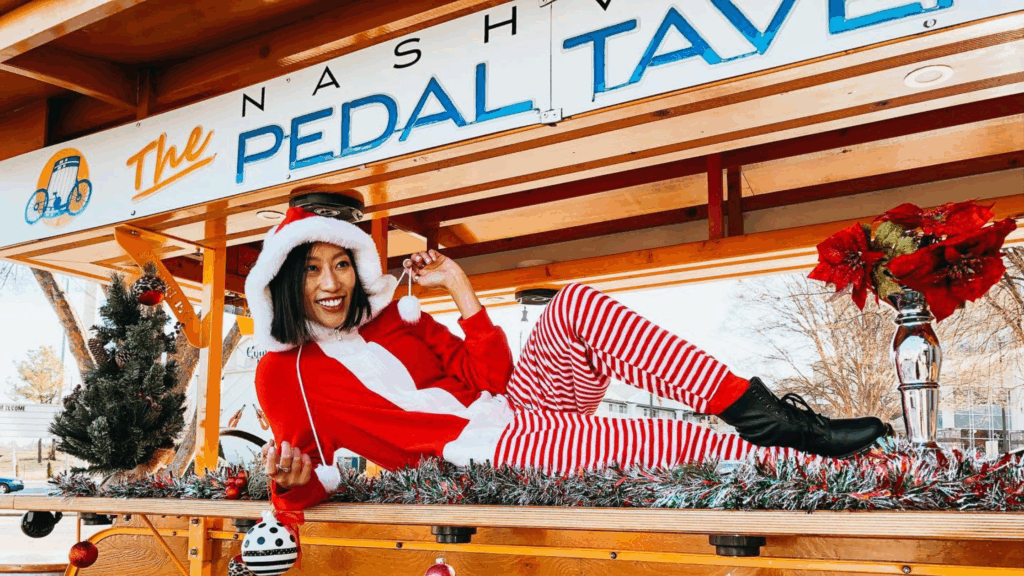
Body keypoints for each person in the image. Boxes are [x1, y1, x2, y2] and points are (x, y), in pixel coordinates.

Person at [246, 207, 890, 511]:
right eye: (311, 270)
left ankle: (763, 414)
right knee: (677, 442)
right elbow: (305, 481)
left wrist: (460, 286)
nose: (330, 284)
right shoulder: (284, 372)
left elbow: (488, 377)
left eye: (339, 266)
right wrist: (291, 480)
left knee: (577, 303)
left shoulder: (395, 319)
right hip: (490, 455)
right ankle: (856, 466)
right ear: (284, 280)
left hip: (513, 406)